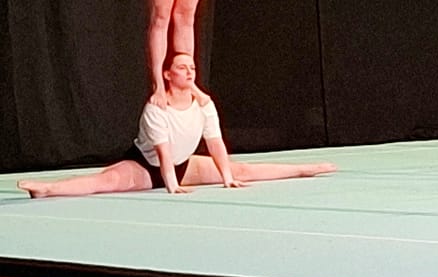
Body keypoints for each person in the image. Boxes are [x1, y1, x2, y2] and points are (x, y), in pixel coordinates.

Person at [17, 52, 335, 198]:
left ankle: (303, 169)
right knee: (108, 181)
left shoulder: (204, 104)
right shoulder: (157, 107)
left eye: (192, 66)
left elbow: (216, 144)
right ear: (168, 75)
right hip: (146, 164)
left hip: (185, 164)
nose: (189, 71)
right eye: (182, 67)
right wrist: (171, 184)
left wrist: (227, 177)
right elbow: (163, 151)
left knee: (241, 170)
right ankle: (48, 189)